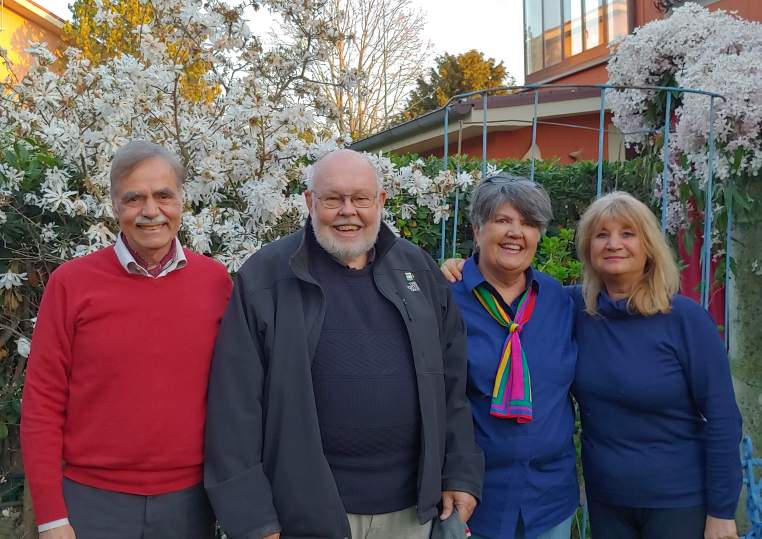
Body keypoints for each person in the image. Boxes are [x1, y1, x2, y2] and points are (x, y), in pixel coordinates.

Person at [204, 149, 484, 539]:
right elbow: (234, 408)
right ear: (309, 202)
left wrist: (460, 471)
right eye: (333, 198)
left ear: (380, 201)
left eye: (361, 198)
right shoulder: (266, 277)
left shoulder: (418, 271)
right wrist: (253, 519)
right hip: (303, 515)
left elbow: (452, 387)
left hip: (410, 514)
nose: (347, 211)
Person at [21, 141, 232, 539]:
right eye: (134, 198)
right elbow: (42, 402)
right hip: (92, 502)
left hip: (190, 503)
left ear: (181, 200)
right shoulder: (71, 284)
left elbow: (238, 394)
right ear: (115, 205)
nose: (151, 211)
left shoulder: (215, 282)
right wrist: (51, 518)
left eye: (163, 196)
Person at [572, 191, 742, 539]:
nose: (613, 244)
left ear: (648, 246)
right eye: (601, 235)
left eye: (628, 234)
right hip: (607, 502)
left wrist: (722, 512)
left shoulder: (685, 320)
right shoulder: (573, 309)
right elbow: (512, 286)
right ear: (588, 248)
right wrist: (462, 269)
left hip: (679, 503)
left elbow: (723, 417)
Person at [442, 174, 578, 539]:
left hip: (550, 500)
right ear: (477, 230)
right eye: (503, 220)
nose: (516, 232)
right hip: (474, 499)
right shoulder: (444, 300)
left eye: (529, 223)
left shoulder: (558, 300)